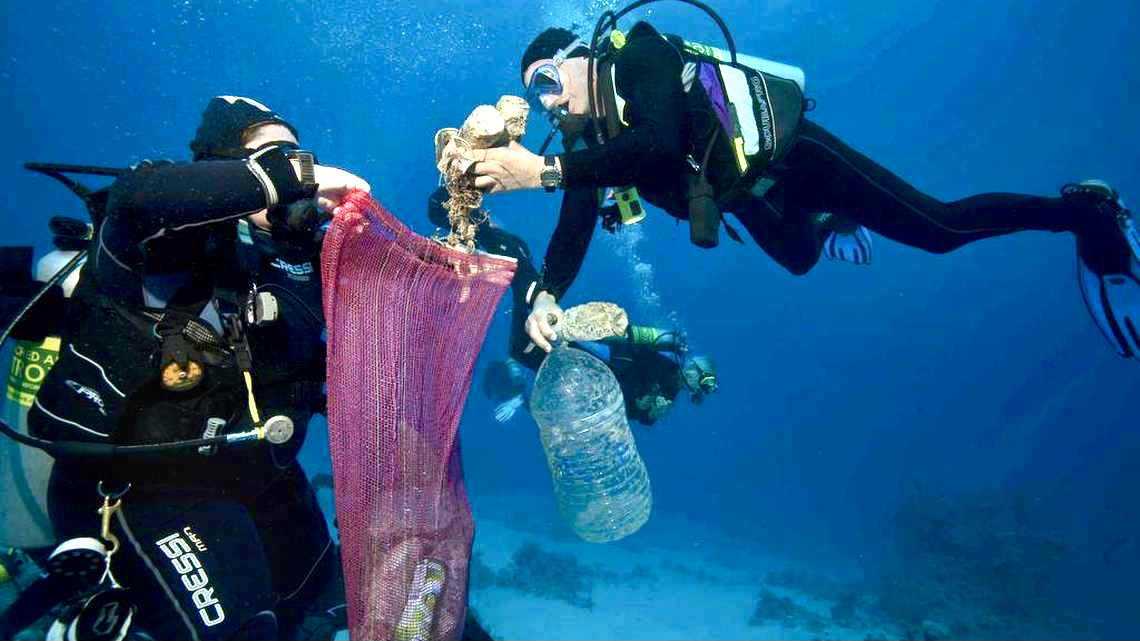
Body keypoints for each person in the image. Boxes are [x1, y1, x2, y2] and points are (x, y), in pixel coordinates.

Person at [461, 21, 1140, 361]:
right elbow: (574, 225)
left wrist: (543, 172)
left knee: (939, 230)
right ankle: (831, 220)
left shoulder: (637, 53)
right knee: (801, 257)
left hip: (799, 157)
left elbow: (662, 143)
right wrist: (547, 292)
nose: (547, 104)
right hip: (747, 195)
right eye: (533, 95)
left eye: (548, 80)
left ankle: (1082, 211)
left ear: (580, 55)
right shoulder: (590, 146)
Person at [19, 95, 369, 640]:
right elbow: (139, 197)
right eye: (271, 155)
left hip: (263, 476)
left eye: (297, 153)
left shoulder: (294, 261)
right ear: (221, 170)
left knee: (336, 606)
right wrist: (289, 175)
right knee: (245, 631)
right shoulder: (167, 241)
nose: (296, 170)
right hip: (152, 487)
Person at [429, 187, 718, 426]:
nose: (692, 375)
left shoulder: (665, 399)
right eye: (697, 370)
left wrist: (642, 408)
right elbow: (630, 341)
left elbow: (620, 411)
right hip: (585, 349)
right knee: (521, 301)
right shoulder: (668, 353)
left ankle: (478, 245)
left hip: (577, 370)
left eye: (697, 379)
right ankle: (477, 243)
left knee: (521, 342)